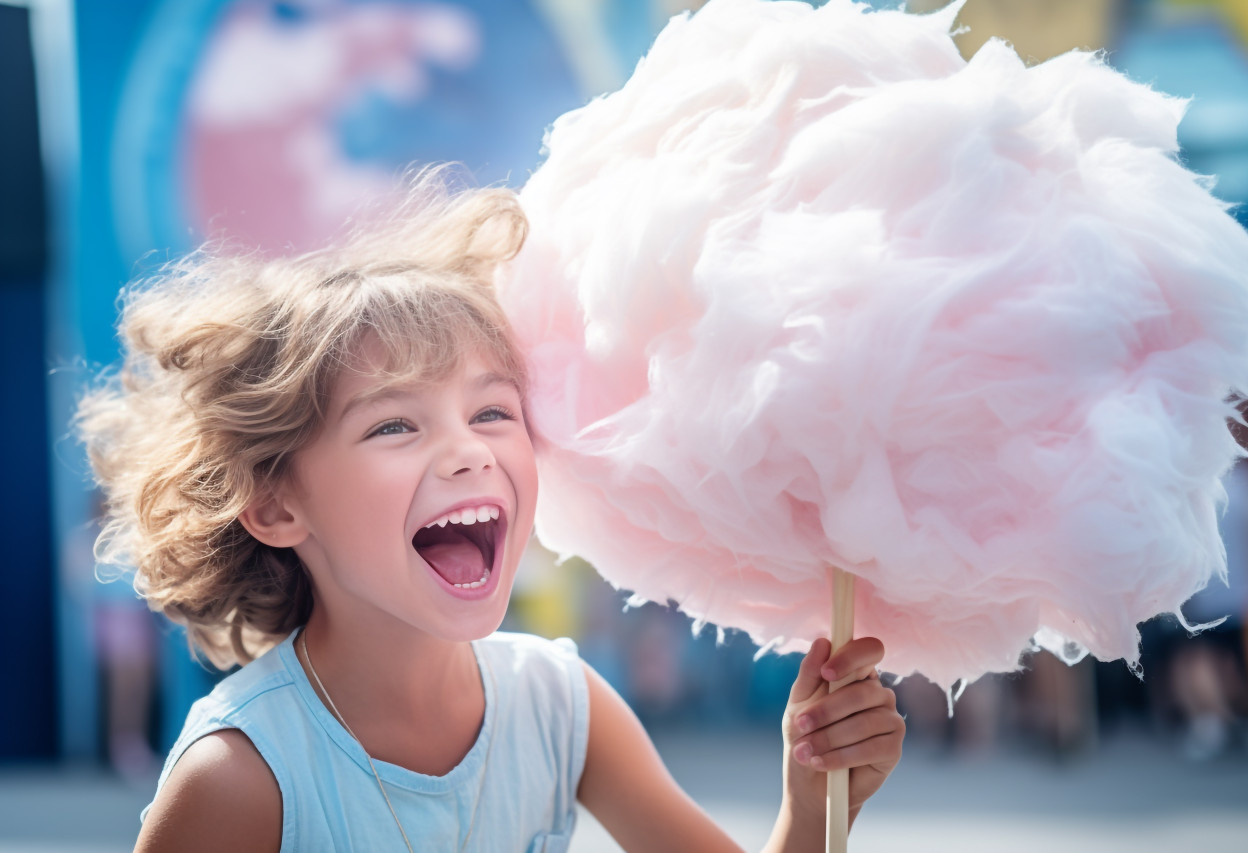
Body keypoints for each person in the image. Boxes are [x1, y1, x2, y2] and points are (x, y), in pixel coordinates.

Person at [77, 170, 906, 853]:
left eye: (492, 412)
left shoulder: (561, 705)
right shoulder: (237, 777)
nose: (468, 449)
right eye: (394, 424)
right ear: (275, 505)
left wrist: (808, 802)